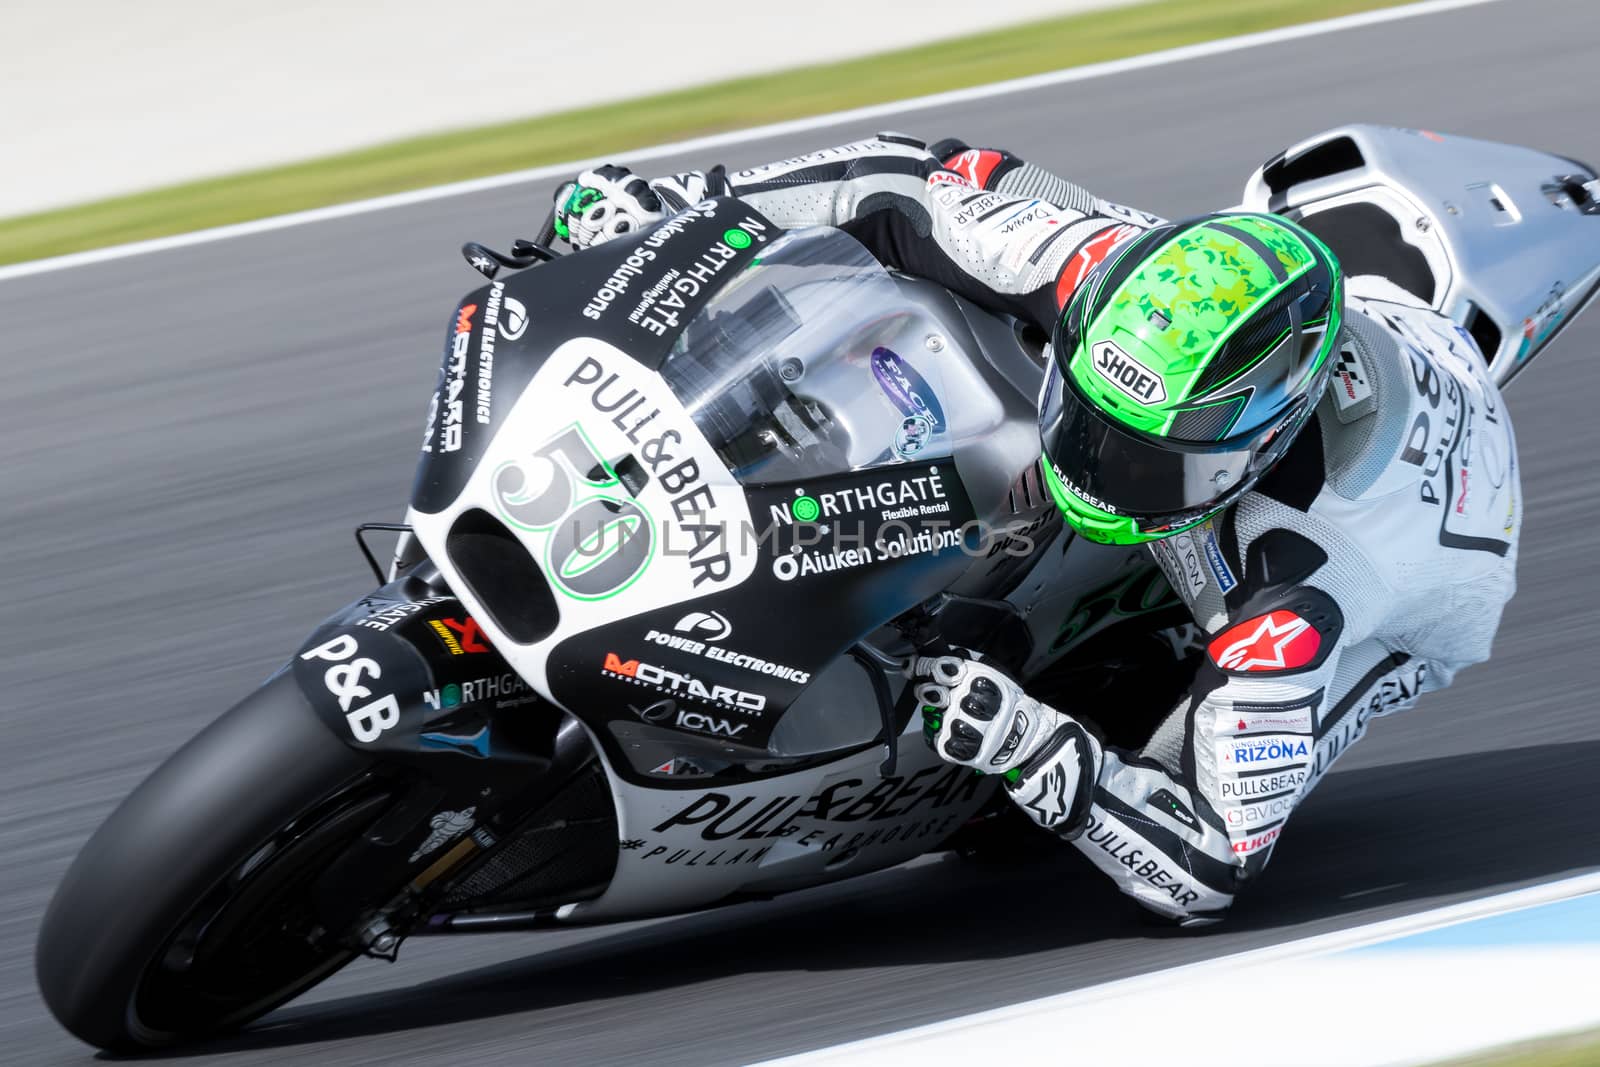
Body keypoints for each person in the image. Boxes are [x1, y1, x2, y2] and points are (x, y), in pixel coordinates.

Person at [551, 134, 1521, 926]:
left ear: (1248, 452)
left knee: (1178, 741)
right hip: (1300, 380)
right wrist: (684, 204)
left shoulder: (1301, 590)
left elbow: (1207, 865)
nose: (1090, 460)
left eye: (1134, 457)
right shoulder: (1102, 266)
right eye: (1089, 415)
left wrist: (1028, 742)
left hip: (1428, 558)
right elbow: (898, 176)